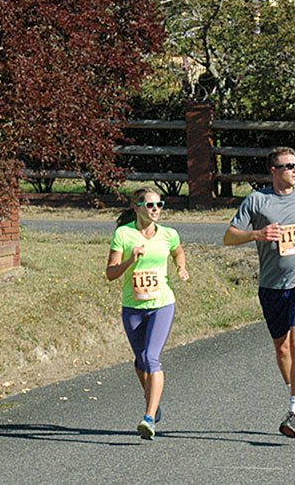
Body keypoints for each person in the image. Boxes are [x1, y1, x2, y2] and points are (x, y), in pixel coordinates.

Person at [223, 147, 295, 439]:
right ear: (273, 171)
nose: (294, 170)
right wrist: (256, 234)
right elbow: (229, 236)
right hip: (271, 285)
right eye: (288, 166)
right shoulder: (257, 201)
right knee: (282, 348)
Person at [106, 187, 189, 440]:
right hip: (133, 306)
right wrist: (130, 260)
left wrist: (181, 268)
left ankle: (149, 417)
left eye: (159, 205)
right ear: (137, 208)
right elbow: (110, 273)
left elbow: (178, 251)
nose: (156, 210)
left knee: (152, 358)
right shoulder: (123, 234)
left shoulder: (168, 234)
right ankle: (153, 398)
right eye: (150, 205)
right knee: (140, 361)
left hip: (162, 303)